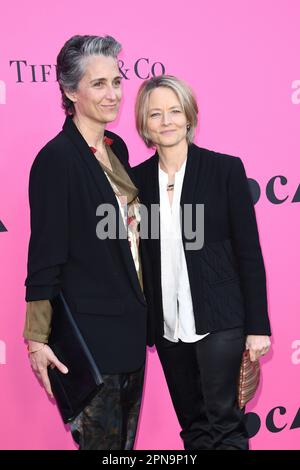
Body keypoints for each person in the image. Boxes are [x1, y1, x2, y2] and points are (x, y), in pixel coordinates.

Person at [133, 75, 271, 450]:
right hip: (167, 325)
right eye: (156, 114)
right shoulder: (136, 182)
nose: (167, 122)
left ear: (189, 116)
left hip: (221, 320)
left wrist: (258, 327)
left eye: (174, 111)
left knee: (225, 425)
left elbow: (248, 252)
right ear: (144, 124)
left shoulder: (224, 169)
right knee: (193, 428)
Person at [23, 35, 147, 450]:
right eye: (99, 84)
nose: (113, 94)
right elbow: (45, 255)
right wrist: (37, 340)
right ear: (69, 90)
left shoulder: (118, 150)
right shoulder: (56, 160)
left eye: (116, 81)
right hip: (92, 341)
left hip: (129, 332)